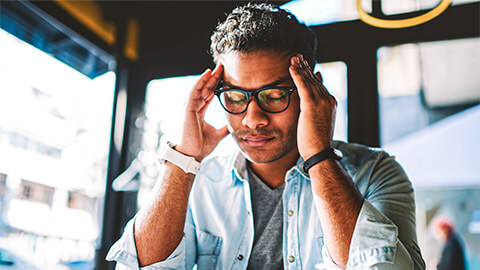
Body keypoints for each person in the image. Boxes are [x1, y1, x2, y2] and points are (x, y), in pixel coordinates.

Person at [106, 3, 425, 269]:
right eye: (234, 96)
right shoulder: (197, 181)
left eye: (273, 95)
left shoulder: (376, 173)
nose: (252, 118)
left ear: (311, 89)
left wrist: (319, 155)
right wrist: (184, 159)